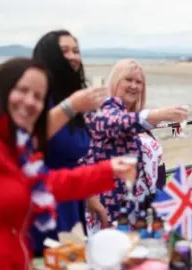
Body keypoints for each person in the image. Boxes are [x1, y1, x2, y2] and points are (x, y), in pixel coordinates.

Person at [0, 58, 133, 270]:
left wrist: (108, 170)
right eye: (22, 90)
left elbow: (48, 184)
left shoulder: (14, 145)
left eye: (38, 97)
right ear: (2, 89)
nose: (30, 101)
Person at [81, 59, 188, 232]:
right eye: (128, 79)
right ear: (115, 81)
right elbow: (117, 124)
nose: (134, 86)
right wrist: (158, 114)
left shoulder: (136, 118)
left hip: (141, 213)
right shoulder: (103, 111)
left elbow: (155, 168)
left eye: (139, 82)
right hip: (112, 213)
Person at [30, 29, 109, 256]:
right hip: (41, 201)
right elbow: (27, 141)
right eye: (64, 51)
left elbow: (73, 158)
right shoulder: (36, 97)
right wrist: (71, 106)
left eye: (76, 51)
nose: (73, 56)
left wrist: (90, 196)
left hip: (71, 199)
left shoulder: (73, 99)